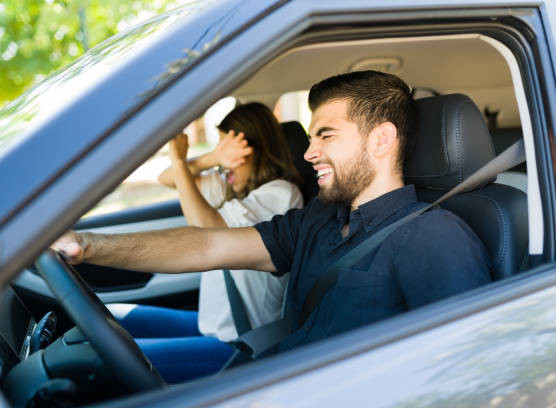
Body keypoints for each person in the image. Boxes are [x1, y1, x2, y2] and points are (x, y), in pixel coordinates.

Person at [54, 71, 491, 378]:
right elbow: (207, 247)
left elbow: (469, 372)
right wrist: (87, 246)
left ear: (381, 140)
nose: (308, 152)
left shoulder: (434, 238)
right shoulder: (318, 219)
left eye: (326, 135)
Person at [106, 102, 304, 383]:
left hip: (240, 343)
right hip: (210, 325)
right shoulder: (228, 183)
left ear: (254, 150)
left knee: (108, 360)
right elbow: (167, 179)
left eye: (229, 152)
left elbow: (206, 236)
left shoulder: (282, 194)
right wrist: (213, 158)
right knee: (112, 316)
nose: (224, 166)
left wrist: (179, 160)